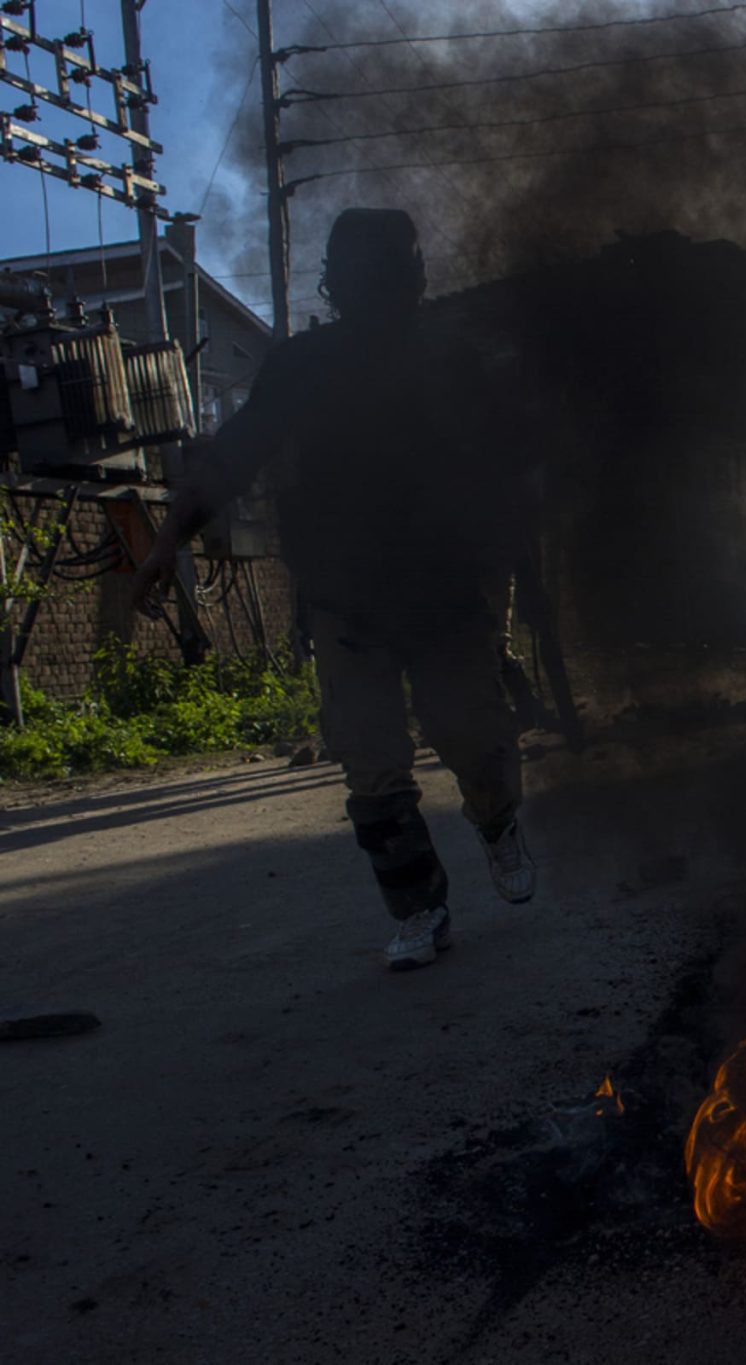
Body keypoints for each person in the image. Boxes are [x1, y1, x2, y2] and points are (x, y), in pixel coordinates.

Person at [132, 208, 537, 971]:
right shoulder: (303, 366)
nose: (381, 284)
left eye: (393, 267)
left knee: (475, 744)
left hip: (445, 595)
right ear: (339, 281)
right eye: (366, 270)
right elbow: (231, 457)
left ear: (413, 278)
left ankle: (497, 820)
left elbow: (513, 464)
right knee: (372, 765)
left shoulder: (455, 359)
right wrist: (163, 538)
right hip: (348, 599)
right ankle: (419, 907)